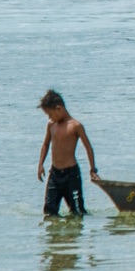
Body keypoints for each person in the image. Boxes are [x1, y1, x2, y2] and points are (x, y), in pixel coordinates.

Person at [36, 89, 98, 217]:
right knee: (49, 212)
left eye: (50, 114)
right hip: (54, 175)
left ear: (59, 109)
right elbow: (46, 144)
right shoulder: (51, 125)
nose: (49, 117)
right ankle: (55, 236)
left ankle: (74, 236)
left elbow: (88, 147)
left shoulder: (75, 126)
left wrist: (92, 170)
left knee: (78, 212)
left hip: (71, 176)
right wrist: (40, 164)